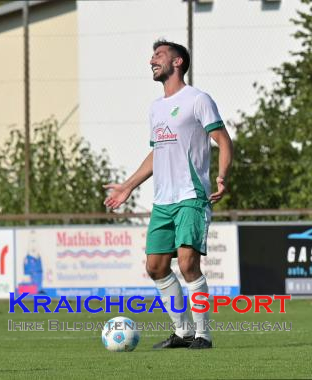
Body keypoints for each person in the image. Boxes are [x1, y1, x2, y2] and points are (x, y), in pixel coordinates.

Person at [103, 40, 233, 349]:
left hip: (191, 196)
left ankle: (203, 335)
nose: (152, 60)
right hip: (162, 201)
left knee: (188, 265)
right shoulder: (155, 108)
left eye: (159, 55)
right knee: (155, 267)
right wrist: (128, 185)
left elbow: (223, 140)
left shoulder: (197, 99)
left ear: (178, 62)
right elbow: (157, 154)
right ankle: (183, 331)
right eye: (152, 55)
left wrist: (222, 177)